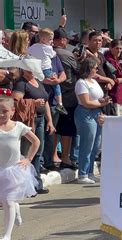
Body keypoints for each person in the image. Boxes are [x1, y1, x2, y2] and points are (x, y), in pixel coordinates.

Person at [0, 89, 40, 240]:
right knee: (6, 201)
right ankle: (16, 209)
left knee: (8, 201)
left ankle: (6, 236)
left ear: (12, 111)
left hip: (13, 170)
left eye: (5, 111)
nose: (2, 114)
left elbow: (36, 142)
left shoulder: (18, 126)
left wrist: (28, 159)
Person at [12, 66, 55, 194]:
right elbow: (16, 101)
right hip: (28, 122)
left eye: (32, 68)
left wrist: (50, 121)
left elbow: (46, 102)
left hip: (40, 120)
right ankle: (25, 186)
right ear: (23, 69)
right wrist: (33, 103)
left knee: (37, 151)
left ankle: (36, 184)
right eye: (28, 69)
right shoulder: (21, 83)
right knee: (26, 152)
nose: (31, 71)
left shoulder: (38, 82)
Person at [74, 57, 112, 184]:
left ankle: (90, 171)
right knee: (87, 143)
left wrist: (103, 101)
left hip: (97, 113)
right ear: (89, 68)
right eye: (95, 67)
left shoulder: (94, 81)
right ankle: (82, 173)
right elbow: (86, 102)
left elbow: (96, 98)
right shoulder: (81, 83)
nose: (97, 70)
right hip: (86, 114)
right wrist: (101, 104)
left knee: (96, 144)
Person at [53, 28, 80, 170]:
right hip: (68, 98)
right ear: (61, 40)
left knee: (52, 129)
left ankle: (53, 157)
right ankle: (65, 157)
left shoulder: (45, 53)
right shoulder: (65, 54)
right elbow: (80, 71)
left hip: (51, 97)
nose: (67, 42)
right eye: (65, 39)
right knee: (67, 130)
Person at [28, 28, 68, 116]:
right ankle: (60, 104)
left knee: (55, 82)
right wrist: (52, 81)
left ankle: (58, 105)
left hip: (39, 70)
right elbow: (53, 54)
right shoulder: (48, 48)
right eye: (50, 39)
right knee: (56, 86)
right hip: (46, 70)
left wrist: (58, 80)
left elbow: (63, 73)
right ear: (42, 39)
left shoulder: (33, 47)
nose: (52, 42)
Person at [104, 39, 122, 116]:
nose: (119, 50)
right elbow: (116, 80)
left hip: (121, 93)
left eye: (120, 48)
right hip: (114, 94)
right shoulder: (109, 60)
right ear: (111, 48)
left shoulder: (116, 60)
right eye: (117, 48)